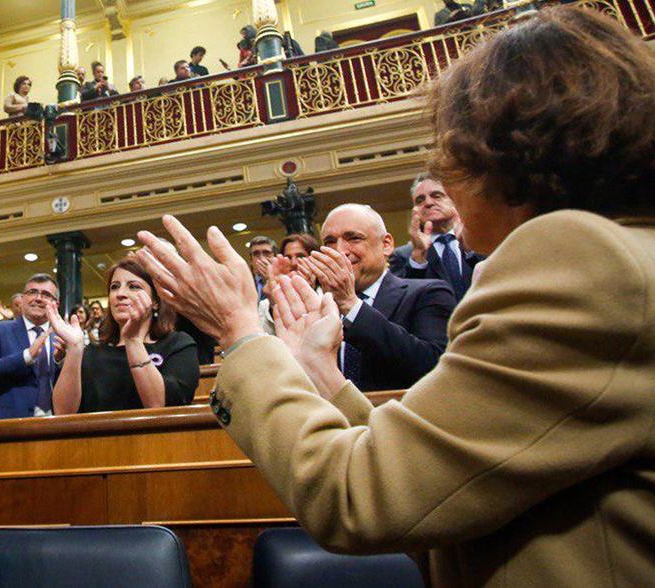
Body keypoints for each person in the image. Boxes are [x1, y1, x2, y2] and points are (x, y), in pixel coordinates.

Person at [132, 7, 655, 587]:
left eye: (447, 148)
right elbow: (450, 481)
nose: (443, 173)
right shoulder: (623, 252)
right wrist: (323, 377)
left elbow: (359, 497)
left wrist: (240, 330)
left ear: (499, 150)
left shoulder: (581, 257)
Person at [297, 204, 455, 391]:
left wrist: (350, 305)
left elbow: (434, 367)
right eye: (330, 242)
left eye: (354, 238)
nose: (340, 251)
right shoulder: (318, 309)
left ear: (386, 245)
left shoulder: (428, 293)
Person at [47, 259, 198, 414]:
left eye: (133, 286)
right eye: (115, 287)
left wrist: (132, 340)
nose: (120, 294)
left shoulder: (178, 344)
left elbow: (159, 407)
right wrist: (74, 349)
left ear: (155, 302)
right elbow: (62, 413)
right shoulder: (92, 352)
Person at [0, 274, 60, 419]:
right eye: (32, 292)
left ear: (55, 304)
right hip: (10, 425)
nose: (38, 298)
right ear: (23, 299)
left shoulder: (62, 335)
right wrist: (26, 357)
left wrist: (60, 361)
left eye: (46, 294)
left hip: (57, 425)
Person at [388, 172, 485, 301]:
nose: (428, 203)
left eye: (437, 196)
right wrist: (418, 257)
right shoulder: (403, 256)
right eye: (420, 200)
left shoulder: (482, 239)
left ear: (454, 200)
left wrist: (469, 248)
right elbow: (402, 302)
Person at [258, 233, 318, 334]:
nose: (294, 263)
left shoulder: (330, 294)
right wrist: (275, 303)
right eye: (288, 257)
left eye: (300, 256)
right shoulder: (266, 305)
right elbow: (268, 340)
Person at [247, 235, 276, 301]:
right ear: (251, 260)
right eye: (256, 254)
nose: (262, 258)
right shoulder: (245, 284)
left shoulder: (282, 282)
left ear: (275, 257)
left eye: (266, 253)